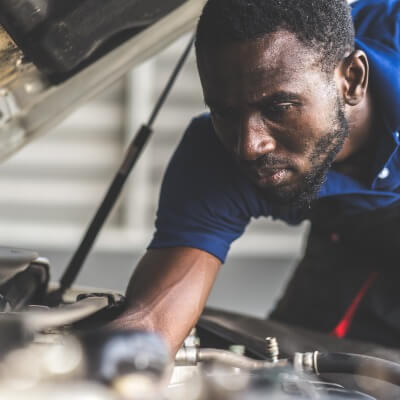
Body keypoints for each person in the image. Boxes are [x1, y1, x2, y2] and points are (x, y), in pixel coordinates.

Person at [112, 0, 400, 354]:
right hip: (341, 245)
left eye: (278, 108)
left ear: (351, 80)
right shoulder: (216, 155)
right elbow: (152, 323)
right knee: (287, 376)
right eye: (225, 113)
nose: (249, 146)